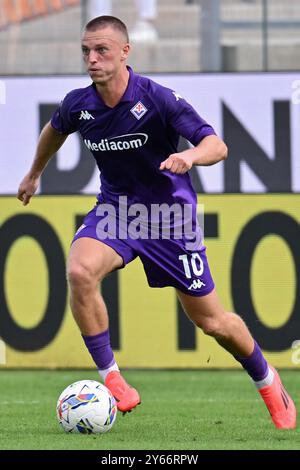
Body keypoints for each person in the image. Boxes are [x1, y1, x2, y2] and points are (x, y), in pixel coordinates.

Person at [17, 15, 296, 428]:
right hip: (117, 212)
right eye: (85, 51)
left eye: (101, 50)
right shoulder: (80, 104)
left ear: (125, 52)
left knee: (212, 322)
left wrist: (189, 156)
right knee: (79, 270)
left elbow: (216, 145)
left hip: (169, 219)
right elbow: (55, 129)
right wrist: (35, 172)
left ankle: (267, 378)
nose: (91, 59)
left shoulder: (158, 98)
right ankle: (111, 377)